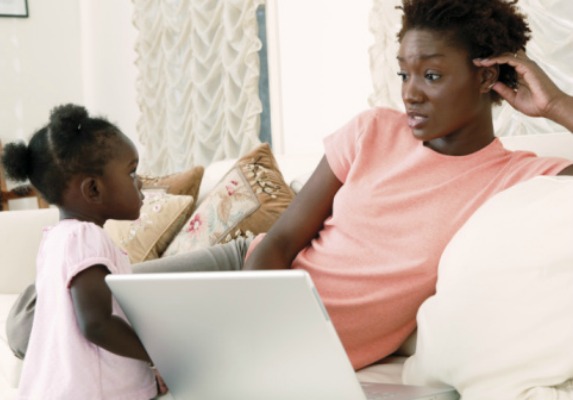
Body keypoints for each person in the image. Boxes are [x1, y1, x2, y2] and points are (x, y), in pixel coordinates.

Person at [133, 0, 573, 372]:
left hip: (310, 345)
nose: (411, 94)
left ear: (484, 78)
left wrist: (555, 105)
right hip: (249, 272)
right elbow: (283, 239)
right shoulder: (372, 130)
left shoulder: (513, 177)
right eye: (405, 75)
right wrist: (256, 324)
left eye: (432, 76)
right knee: (97, 301)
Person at [1, 104, 168, 399]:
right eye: (131, 172)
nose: (139, 181)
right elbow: (97, 324)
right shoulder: (86, 236)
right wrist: (160, 354)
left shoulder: (56, 239)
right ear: (93, 190)